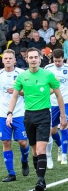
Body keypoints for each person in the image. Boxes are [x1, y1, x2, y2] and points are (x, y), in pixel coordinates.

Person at [7, 47, 66, 191]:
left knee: (41, 150)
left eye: (36, 57)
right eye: (30, 57)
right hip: (28, 116)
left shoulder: (48, 75)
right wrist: (9, 113)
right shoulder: (21, 77)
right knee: (34, 151)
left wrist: (63, 116)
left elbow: (59, 96)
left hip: (44, 116)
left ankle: (40, 180)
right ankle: (41, 179)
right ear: (26, 59)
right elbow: (14, 96)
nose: (33, 59)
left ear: (40, 59)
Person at [0, 50, 30, 182]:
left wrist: (19, 92)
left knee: (23, 142)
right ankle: (11, 173)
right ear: (3, 60)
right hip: (2, 114)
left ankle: (24, 160)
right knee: (6, 142)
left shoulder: (21, 74)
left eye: (10, 58)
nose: (7, 60)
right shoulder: (0, 75)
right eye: (5, 58)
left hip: (19, 113)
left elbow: (30, 91)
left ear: (14, 60)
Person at [44, 49, 68, 167]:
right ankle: (59, 146)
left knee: (64, 124)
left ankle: (64, 155)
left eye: (59, 60)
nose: (57, 63)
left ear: (63, 58)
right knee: (52, 131)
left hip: (66, 101)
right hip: (51, 103)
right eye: (55, 61)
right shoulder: (47, 69)